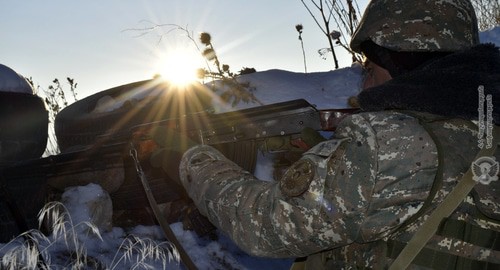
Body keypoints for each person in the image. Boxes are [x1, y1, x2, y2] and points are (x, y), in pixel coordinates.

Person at [152, 0, 500, 268]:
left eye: (369, 65)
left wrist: (190, 157)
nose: (363, 77)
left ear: (397, 59)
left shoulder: (385, 141)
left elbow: (259, 224)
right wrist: (332, 156)